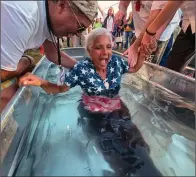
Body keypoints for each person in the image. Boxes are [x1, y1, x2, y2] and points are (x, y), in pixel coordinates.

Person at [19, 27, 162, 176]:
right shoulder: (82, 69)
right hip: (95, 116)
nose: (105, 53)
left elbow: (133, 69)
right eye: (98, 47)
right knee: (116, 158)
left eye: (108, 47)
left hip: (119, 112)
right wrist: (41, 82)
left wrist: (143, 55)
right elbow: (60, 89)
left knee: (140, 150)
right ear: (89, 50)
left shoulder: (116, 62)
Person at [1, 0, 98, 112]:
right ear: (62, 6)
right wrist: (27, 62)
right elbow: (4, 72)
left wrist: (82, 67)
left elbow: (53, 54)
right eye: (80, 26)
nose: (79, 34)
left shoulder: (48, 15)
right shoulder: (25, 13)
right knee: (9, 97)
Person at [115, 1, 181, 68]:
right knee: (131, 64)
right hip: (139, 31)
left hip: (159, 32)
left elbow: (161, 18)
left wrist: (140, 47)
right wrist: (122, 10)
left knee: (148, 70)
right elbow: (124, 3)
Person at [143, 1, 195, 72]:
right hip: (188, 26)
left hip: (172, 31)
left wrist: (149, 33)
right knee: (172, 67)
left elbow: (175, 3)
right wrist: (153, 37)